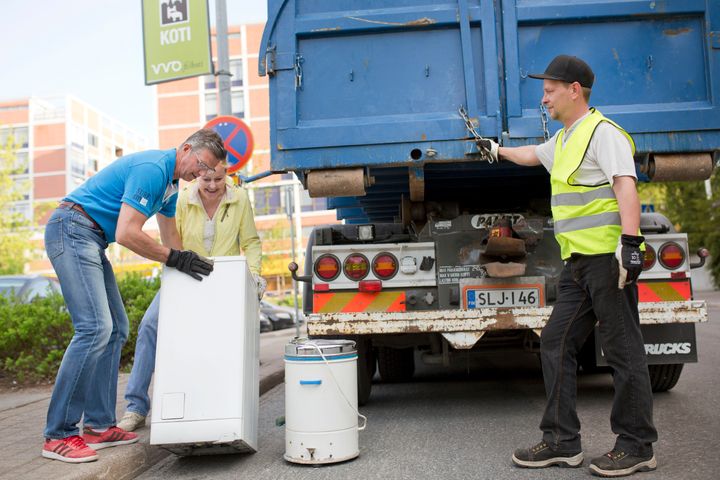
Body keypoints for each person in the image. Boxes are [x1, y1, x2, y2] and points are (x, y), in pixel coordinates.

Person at [479, 55, 657, 477]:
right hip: (576, 264)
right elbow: (529, 155)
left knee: (622, 350)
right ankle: (561, 440)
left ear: (574, 90)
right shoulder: (562, 141)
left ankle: (637, 444)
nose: (544, 99)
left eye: (549, 91)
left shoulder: (603, 133)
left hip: (606, 262)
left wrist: (631, 245)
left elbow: (625, 187)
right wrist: (498, 150)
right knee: (556, 342)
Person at [42, 129, 224, 463]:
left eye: (206, 172)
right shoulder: (153, 169)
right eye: (199, 166)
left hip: (92, 239)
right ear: (186, 149)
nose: (199, 175)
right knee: (94, 328)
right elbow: (127, 233)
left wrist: (185, 272)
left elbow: (171, 236)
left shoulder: (170, 187)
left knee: (117, 330)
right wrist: (173, 259)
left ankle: (98, 425)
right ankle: (59, 433)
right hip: (71, 229)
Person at [116, 165, 264, 432]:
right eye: (206, 179)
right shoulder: (182, 199)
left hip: (224, 278)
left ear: (227, 175)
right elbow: (172, 240)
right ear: (197, 176)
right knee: (150, 325)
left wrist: (254, 276)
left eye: (219, 179)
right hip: (186, 273)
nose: (212, 185)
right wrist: (178, 271)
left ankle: (226, 404)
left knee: (225, 337)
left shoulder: (239, 198)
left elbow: (251, 241)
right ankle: (135, 407)